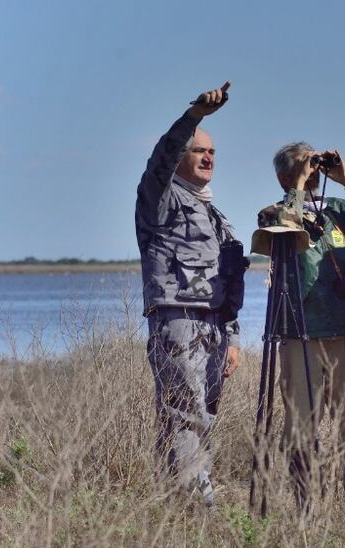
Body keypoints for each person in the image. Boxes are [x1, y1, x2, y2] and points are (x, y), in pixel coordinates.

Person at [255, 142, 345, 518]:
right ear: (284, 176)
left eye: (315, 164)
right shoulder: (274, 211)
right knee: (300, 425)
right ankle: (306, 511)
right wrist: (296, 187)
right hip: (300, 330)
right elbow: (282, 226)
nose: (314, 171)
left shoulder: (339, 211)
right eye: (305, 166)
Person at [135, 82, 248, 506]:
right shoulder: (159, 197)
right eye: (198, 151)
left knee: (204, 415)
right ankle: (190, 507)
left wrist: (233, 337)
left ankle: (194, 498)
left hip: (216, 323)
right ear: (181, 155)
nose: (206, 158)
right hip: (177, 318)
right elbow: (159, 161)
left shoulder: (213, 211)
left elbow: (228, 278)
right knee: (183, 413)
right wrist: (193, 117)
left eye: (212, 153)